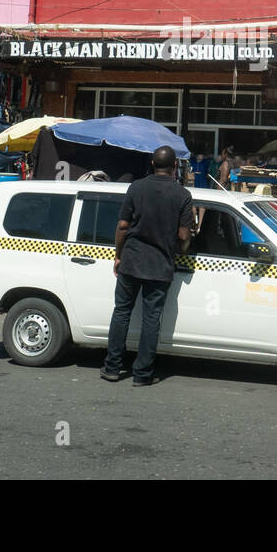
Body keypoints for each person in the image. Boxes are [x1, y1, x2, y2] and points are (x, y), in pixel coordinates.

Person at [101, 146, 195, 386]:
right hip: (159, 264)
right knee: (151, 319)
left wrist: (118, 256)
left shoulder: (136, 187)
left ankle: (112, 368)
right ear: (175, 167)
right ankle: (142, 375)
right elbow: (184, 235)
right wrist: (181, 251)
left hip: (131, 260)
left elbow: (122, 226)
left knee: (121, 312)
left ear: (153, 164)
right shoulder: (182, 195)